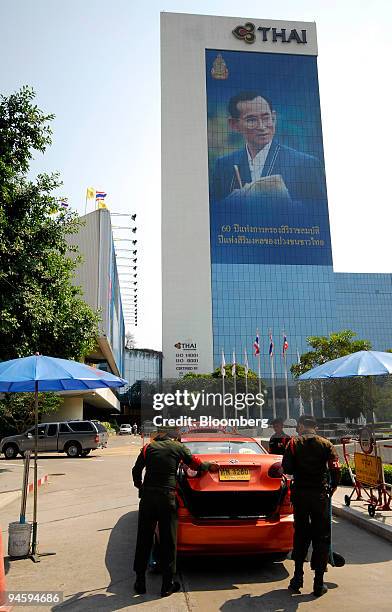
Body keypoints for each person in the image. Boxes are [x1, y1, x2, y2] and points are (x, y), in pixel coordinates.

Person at [132, 430, 219, 597]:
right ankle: (167, 585)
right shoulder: (178, 447)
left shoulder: (147, 448)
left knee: (144, 538)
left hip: (148, 498)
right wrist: (210, 465)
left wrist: (140, 486)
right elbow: (197, 465)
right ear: (174, 438)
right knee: (168, 540)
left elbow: (136, 471)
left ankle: (140, 582)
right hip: (167, 498)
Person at [211, 91, 326, 203]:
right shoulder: (224, 165)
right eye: (251, 120)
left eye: (266, 118)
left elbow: (318, 213)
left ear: (274, 117)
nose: (262, 127)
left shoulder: (305, 164)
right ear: (234, 125)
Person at [282, 414, 341, 597]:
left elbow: (287, 469)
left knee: (300, 534)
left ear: (301, 425)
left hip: (300, 495)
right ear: (315, 427)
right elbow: (336, 470)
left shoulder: (292, 444)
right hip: (320, 496)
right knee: (321, 537)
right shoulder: (326, 444)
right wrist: (331, 490)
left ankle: (297, 579)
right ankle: (318, 583)